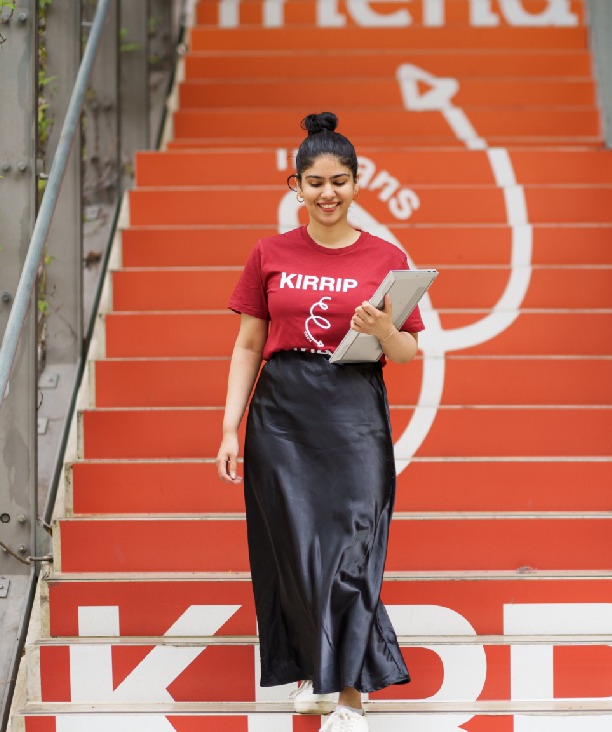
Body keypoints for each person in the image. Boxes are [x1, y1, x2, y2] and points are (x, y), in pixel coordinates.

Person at [216, 111, 420, 732]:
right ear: (294, 187)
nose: (327, 192)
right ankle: (317, 676)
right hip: (281, 412)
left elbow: (408, 352)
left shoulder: (386, 256)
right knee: (297, 550)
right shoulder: (268, 252)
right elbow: (249, 344)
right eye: (314, 182)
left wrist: (383, 329)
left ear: (358, 185)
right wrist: (230, 428)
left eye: (340, 180)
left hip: (355, 410)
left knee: (353, 550)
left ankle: (349, 697)